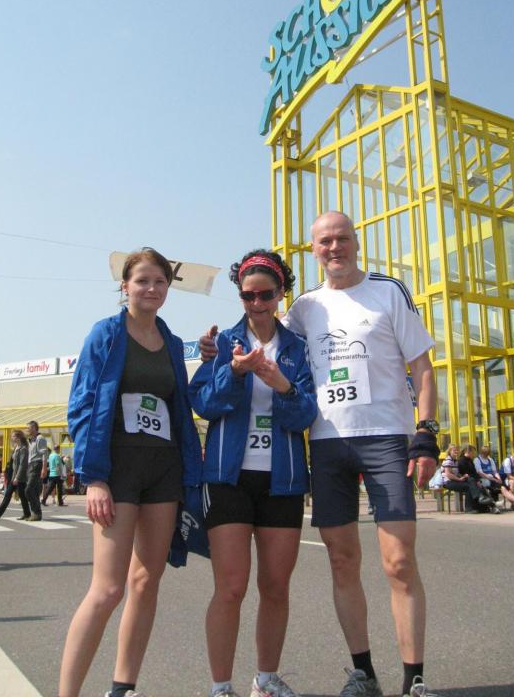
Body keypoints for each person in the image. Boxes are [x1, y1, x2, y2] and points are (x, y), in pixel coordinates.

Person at [201, 211, 442, 697]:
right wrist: (217, 356)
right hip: (327, 445)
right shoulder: (304, 309)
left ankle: (414, 680)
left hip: (383, 437)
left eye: (342, 238)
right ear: (313, 250)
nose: (335, 248)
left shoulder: (387, 291)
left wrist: (426, 432)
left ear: (356, 242)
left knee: (398, 561)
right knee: (341, 561)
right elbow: (248, 350)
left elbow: (422, 365)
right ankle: (363, 673)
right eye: (325, 241)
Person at [59, 247, 202, 697]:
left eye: (160, 281)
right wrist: (94, 478)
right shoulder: (105, 333)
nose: (151, 288)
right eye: (142, 280)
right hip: (117, 469)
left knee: (146, 582)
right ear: (125, 286)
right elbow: (82, 405)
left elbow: (180, 407)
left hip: (163, 469)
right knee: (107, 590)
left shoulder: (172, 341)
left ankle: (123, 688)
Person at [189, 250, 317, 697]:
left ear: (281, 293)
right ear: (240, 296)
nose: (257, 303)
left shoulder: (298, 347)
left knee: (276, 587)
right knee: (231, 588)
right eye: (248, 295)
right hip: (228, 479)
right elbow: (202, 403)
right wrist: (236, 372)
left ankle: (266, 679)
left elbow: (306, 414)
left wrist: (282, 384)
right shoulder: (222, 343)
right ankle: (220, 687)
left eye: (266, 294)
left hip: (282, 480)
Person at [0, 430, 31, 520]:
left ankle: (26, 513)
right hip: (14, 476)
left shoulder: (23, 449)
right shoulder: (16, 447)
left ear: (18, 438)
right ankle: (26, 513)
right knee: (13, 495)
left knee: (21, 496)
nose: (12, 438)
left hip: (20, 477)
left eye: (13, 436)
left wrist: (17, 478)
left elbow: (23, 465)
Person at [440, 444, 492, 513]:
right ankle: (470, 507)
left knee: (471, 484)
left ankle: (481, 506)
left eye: (457, 450)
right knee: (469, 486)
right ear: (450, 451)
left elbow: (457, 473)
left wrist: (463, 476)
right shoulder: (448, 460)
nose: (456, 451)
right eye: (454, 450)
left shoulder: (455, 461)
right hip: (448, 482)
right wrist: (459, 479)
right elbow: (448, 474)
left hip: (455, 480)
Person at [457, 445, 499, 514]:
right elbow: (464, 473)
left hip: (472, 479)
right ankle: (488, 502)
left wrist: (478, 480)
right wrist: (476, 480)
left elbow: (474, 472)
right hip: (465, 479)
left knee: (481, 486)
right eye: (473, 452)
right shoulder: (461, 461)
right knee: (474, 483)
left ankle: (491, 506)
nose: (474, 454)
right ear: (468, 451)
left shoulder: (470, 460)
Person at [25, 420, 48, 521]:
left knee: (28, 489)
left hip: (37, 464)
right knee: (34, 490)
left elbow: (44, 454)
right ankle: (36, 513)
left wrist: (44, 468)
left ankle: (36, 513)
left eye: (28, 428)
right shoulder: (30, 440)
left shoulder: (40, 438)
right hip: (31, 465)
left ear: (34, 428)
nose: (27, 430)